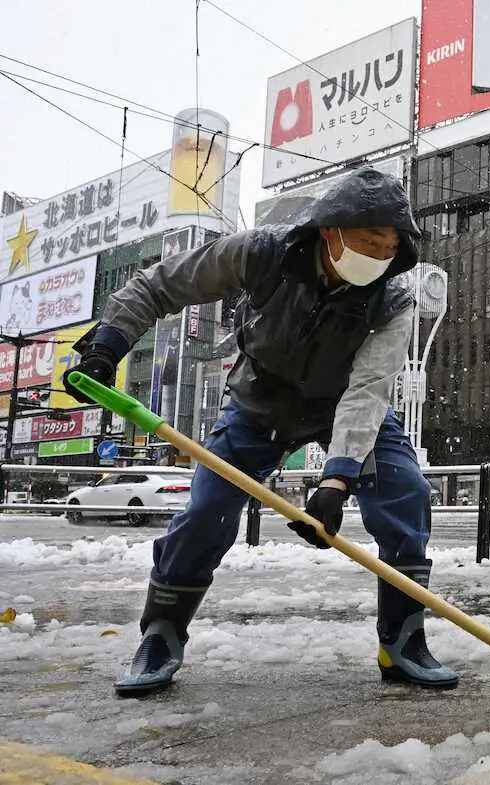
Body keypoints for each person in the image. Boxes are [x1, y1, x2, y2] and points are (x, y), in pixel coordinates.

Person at [63, 169, 460, 696]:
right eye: (369, 242)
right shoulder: (260, 254)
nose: (380, 255)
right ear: (330, 232)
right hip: (258, 404)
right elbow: (160, 285)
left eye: (390, 246)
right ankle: (160, 634)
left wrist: (337, 480)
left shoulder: (393, 297)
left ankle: (403, 640)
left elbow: (368, 390)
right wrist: (110, 342)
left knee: (406, 493)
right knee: (206, 512)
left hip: (342, 403)